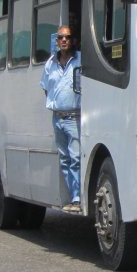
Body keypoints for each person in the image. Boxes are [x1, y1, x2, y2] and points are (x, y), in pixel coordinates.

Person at [40, 25, 82, 213]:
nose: (64, 40)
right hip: (57, 118)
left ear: (73, 40)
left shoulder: (81, 60)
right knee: (64, 159)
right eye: (60, 38)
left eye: (67, 37)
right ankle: (74, 194)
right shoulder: (51, 63)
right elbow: (45, 87)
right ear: (56, 42)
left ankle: (77, 197)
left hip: (75, 117)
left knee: (75, 158)